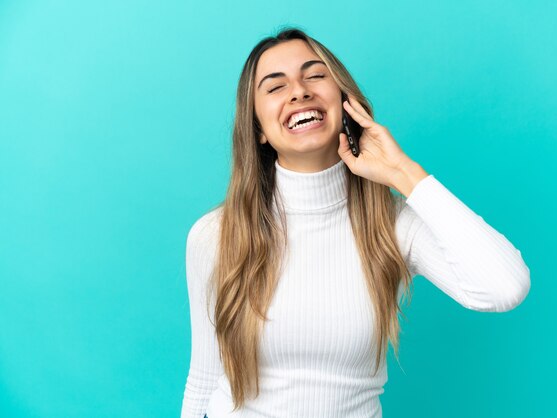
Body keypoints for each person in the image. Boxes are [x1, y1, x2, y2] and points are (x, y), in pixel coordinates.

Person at [180, 27, 531, 418]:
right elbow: (205, 376)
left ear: (346, 102)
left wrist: (403, 173)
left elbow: (505, 287)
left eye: (315, 75)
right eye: (275, 87)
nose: (299, 91)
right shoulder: (215, 235)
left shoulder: (391, 226)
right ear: (259, 130)